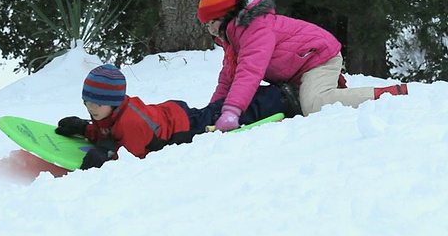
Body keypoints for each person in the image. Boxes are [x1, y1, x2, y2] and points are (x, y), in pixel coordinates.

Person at [197, 0, 408, 132]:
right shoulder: (233, 39)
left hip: (317, 58)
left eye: (210, 24)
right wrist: (213, 111)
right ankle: (332, 92)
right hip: (298, 69)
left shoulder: (254, 28)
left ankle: (387, 95)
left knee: (313, 105)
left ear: (223, 17)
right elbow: (228, 78)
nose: (210, 30)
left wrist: (232, 112)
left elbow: (249, 71)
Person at [55, 64, 299, 170]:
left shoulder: (131, 123)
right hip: (170, 113)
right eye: (88, 102)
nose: (92, 108)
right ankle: (272, 94)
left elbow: (134, 155)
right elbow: (105, 131)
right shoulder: (106, 114)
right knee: (216, 110)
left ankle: (279, 97)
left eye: (98, 103)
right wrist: (83, 128)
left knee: (225, 117)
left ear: (114, 102)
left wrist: (108, 152)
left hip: (183, 127)